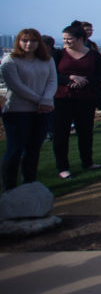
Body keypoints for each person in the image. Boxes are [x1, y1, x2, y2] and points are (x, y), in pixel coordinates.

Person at [1, 28, 56, 189]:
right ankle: (9, 187)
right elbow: (16, 86)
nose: (29, 44)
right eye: (24, 40)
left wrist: (46, 100)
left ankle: (29, 183)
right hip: (18, 111)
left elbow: (52, 81)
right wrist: (41, 101)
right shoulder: (10, 60)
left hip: (42, 111)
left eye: (33, 41)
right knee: (15, 150)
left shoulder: (46, 60)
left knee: (33, 150)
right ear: (18, 42)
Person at [51, 22, 101, 178]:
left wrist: (86, 81)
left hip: (86, 98)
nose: (66, 42)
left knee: (85, 132)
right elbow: (52, 75)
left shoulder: (94, 55)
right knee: (61, 134)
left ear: (80, 38)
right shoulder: (58, 54)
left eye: (69, 39)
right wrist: (70, 78)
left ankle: (87, 162)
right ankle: (62, 167)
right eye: (64, 39)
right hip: (63, 98)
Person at [79, 21, 101, 115]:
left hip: (93, 79)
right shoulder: (79, 44)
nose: (89, 31)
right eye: (86, 29)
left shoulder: (91, 44)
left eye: (90, 29)